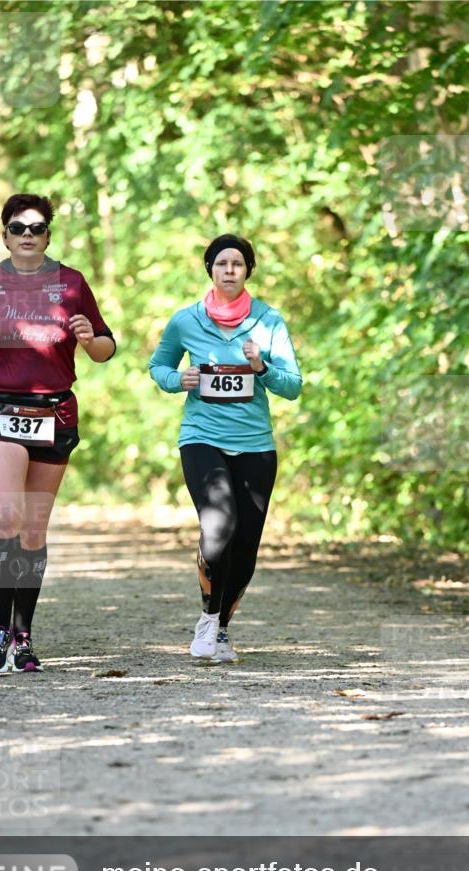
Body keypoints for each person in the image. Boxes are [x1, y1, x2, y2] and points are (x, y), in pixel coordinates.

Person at [0, 193, 116, 673]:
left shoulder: (71, 283)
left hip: (53, 414)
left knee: (34, 527)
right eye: (17, 228)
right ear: (4, 236)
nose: (27, 235)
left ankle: (23, 635)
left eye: (36, 228)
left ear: (47, 236)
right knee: (8, 516)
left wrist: (89, 339)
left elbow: (105, 348)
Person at [149, 234, 302, 662]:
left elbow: (293, 386)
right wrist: (177, 380)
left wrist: (261, 367)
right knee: (219, 524)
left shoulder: (269, 321)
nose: (229, 270)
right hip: (202, 438)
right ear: (210, 270)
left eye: (237, 263)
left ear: (248, 270)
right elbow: (158, 366)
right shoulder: (186, 321)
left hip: (255, 445)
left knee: (246, 547)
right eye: (221, 263)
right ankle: (208, 617)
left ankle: (221, 631)